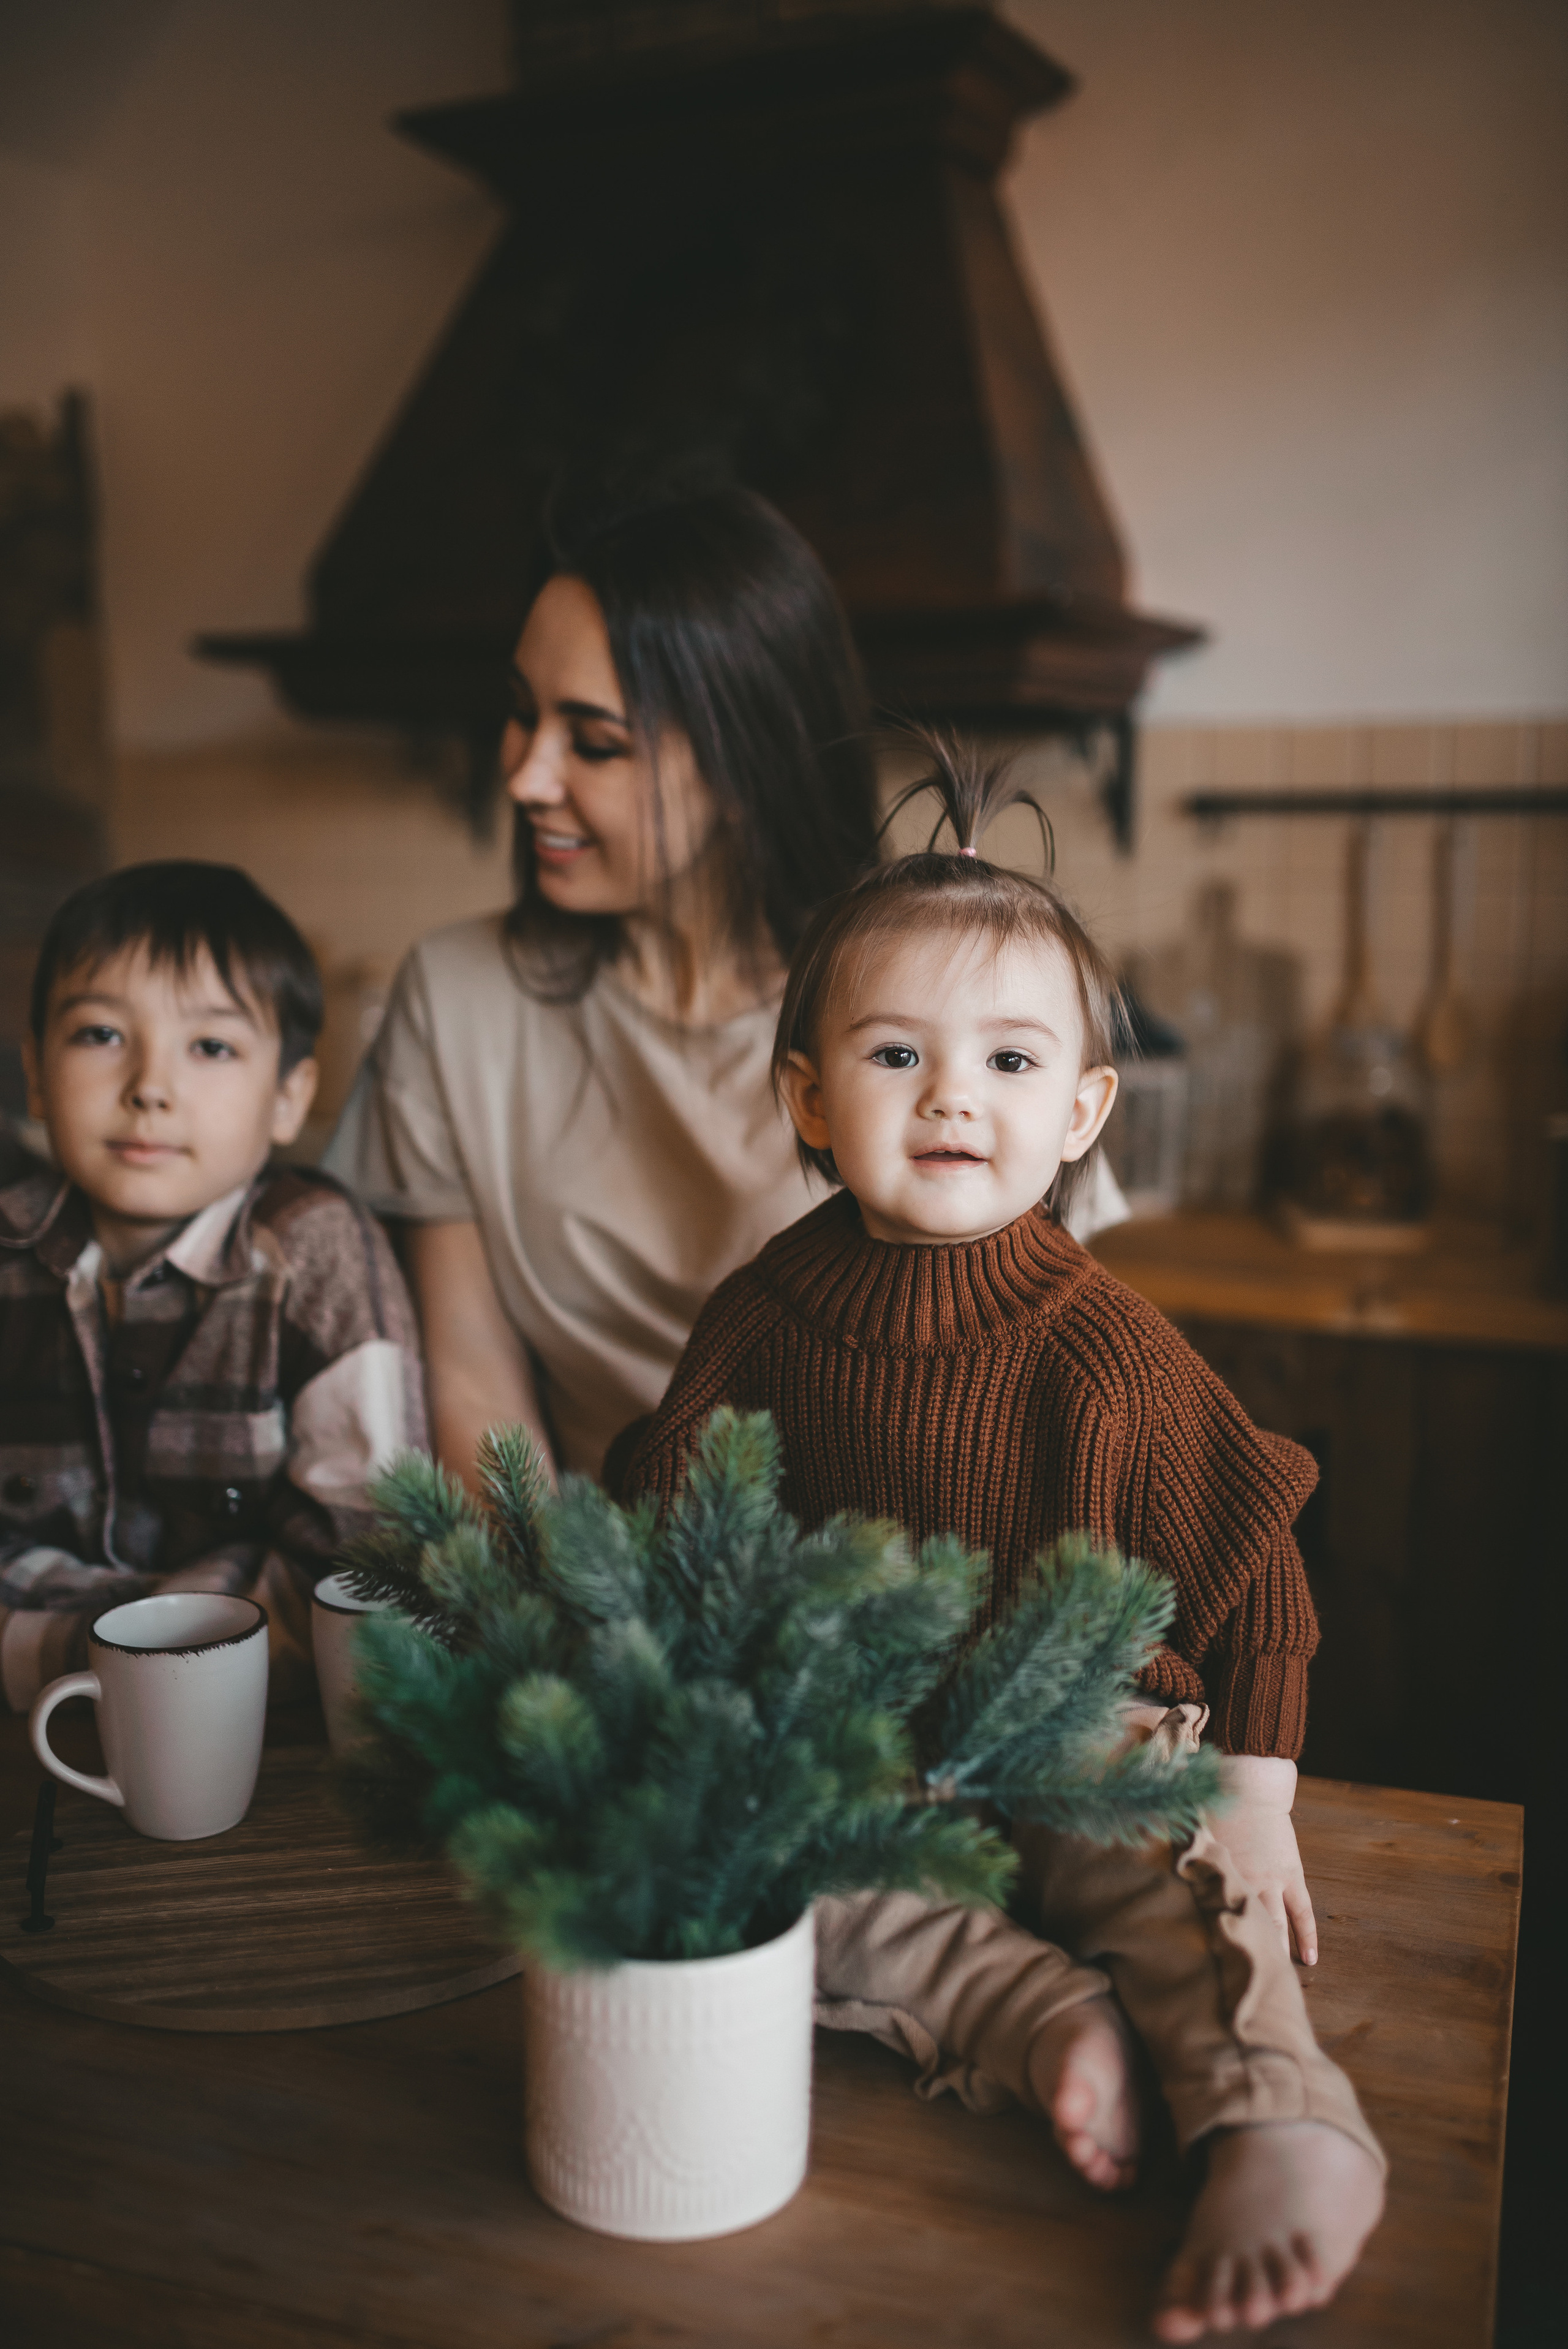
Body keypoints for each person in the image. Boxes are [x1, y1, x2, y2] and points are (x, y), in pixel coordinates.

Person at [623, 741, 1386, 2342]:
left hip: (1077, 1730)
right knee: (734, 1881)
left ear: (1085, 1109)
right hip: (852, 1749)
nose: (955, 1094)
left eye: (1013, 1063)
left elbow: (1263, 1580)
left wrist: (1252, 1797)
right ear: (809, 1101)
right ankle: (1026, 2012)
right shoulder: (758, 1324)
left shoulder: (1105, 1346)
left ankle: (1275, 2117)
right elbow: (672, 1537)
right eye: (897, 1052)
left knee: (1171, 1885)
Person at [323, 480, 888, 1491]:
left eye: (594, 742)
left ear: (745, 759)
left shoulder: (915, 1004)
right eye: (520, 715)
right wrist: (547, 1614)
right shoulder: (455, 1000)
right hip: (581, 1584)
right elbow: (476, 1380)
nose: (527, 777)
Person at [0, 862, 426, 1712]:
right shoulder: (12, 1246)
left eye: (211, 1046)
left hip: (264, 1740)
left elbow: (365, 1578)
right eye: (100, 1034)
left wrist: (85, 1656)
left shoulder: (319, 1253)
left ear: (288, 1097)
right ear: (36, 1075)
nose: (151, 1088)